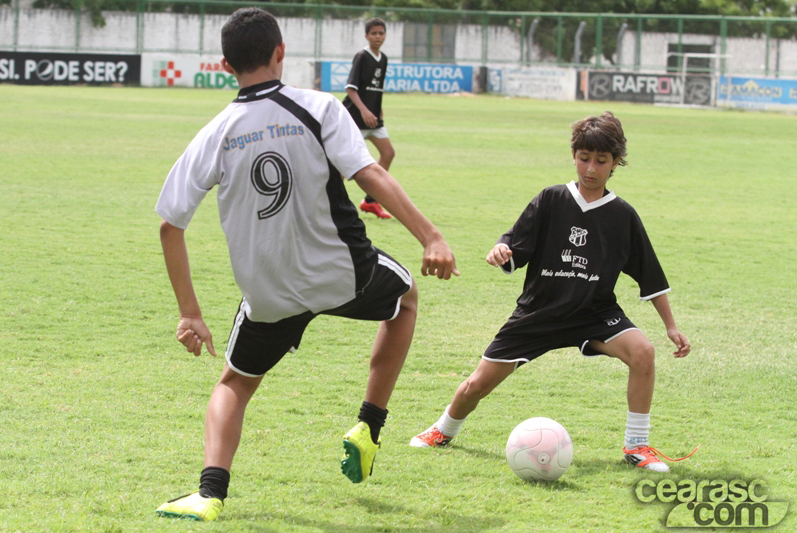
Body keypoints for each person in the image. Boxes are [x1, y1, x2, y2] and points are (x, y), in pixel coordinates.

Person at [154, 8, 458, 522]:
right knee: (404, 299)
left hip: (269, 294)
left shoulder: (216, 131)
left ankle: (208, 493)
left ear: (226, 65)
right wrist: (430, 235)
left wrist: (190, 313)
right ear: (281, 53)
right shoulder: (317, 107)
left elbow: (170, 225)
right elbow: (369, 176)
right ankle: (369, 425)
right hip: (342, 275)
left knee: (234, 385)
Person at [410, 112, 693, 473]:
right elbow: (513, 245)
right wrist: (501, 251)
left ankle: (637, 446)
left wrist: (670, 326)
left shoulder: (623, 216)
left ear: (616, 162)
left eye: (601, 161)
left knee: (643, 352)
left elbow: (650, 276)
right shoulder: (551, 199)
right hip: (539, 313)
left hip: (594, 313)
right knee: (475, 386)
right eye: (584, 158)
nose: (591, 168)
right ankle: (443, 430)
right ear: (574, 155)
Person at [342, 18, 395, 219]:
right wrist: (364, 110)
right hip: (357, 116)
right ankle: (333, 203)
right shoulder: (362, 56)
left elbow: (375, 88)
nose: (378, 37)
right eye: (373, 33)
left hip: (373, 118)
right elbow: (351, 88)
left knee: (388, 153)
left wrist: (378, 108)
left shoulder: (383, 58)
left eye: (381, 33)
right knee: (342, 164)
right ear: (366, 36)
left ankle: (371, 201)